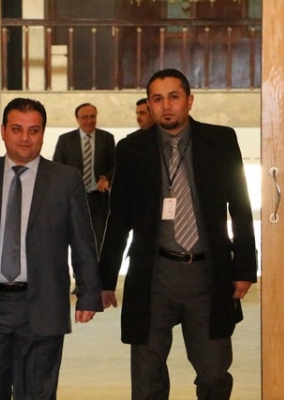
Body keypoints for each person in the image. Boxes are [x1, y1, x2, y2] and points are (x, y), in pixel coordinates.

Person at [99, 69, 257, 400]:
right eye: (157, 99)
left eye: (174, 97)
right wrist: (105, 279)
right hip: (154, 276)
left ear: (189, 100)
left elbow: (240, 207)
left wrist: (244, 268)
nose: (166, 106)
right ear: (149, 105)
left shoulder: (220, 141)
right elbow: (119, 218)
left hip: (206, 274)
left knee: (214, 371)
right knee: (147, 373)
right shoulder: (132, 149)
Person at [0, 98, 103, 400]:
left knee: (37, 392)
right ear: (3, 131)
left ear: (42, 133)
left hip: (43, 301)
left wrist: (88, 292)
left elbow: (82, 240)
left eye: (33, 130)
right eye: (17, 129)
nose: (25, 138)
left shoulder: (65, 180)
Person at [52, 103, 115, 252]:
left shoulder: (106, 138)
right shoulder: (66, 140)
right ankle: (80, 265)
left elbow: (115, 164)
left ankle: (96, 266)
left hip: (99, 199)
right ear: (77, 119)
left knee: (99, 240)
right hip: (75, 198)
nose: (89, 121)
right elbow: (57, 167)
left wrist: (107, 178)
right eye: (85, 117)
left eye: (93, 116)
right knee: (78, 238)